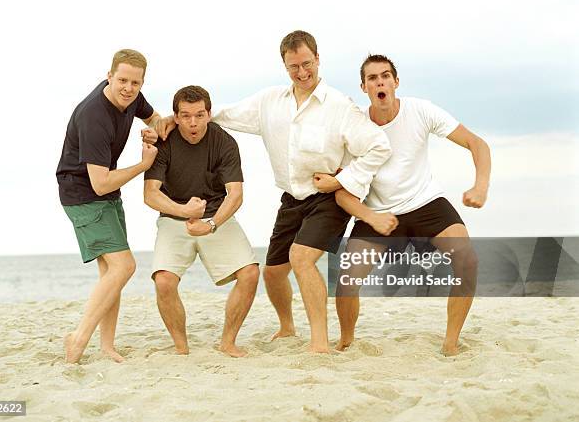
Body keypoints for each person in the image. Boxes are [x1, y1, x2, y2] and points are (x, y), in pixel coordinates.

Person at [181, 31, 394, 353]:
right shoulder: (269, 102)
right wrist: (176, 120)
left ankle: (319, 341)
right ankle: (286, 326)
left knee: (302, 259)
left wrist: (342, 180)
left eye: (307, 64)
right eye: (294, 66)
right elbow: (222, 115)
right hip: (291, 199)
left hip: (327, 199)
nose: (302, 72)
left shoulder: (339, 106)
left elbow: (379, 146)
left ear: (318, 59)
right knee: (274, 272)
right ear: (285, 65)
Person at [325, 54, 491, 356]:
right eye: (372, 78)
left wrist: (480, 186)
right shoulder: (355, 128)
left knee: (467, 260)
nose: (380, 82)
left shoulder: (421, 110)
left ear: (395, 82)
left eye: (385, 76)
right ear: (364, 87)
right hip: (381, 213)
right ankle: (346, 341)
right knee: (347, 276)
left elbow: (477, 144)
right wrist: (371, 217)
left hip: (427, 203)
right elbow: (342, 193)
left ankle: (450, 343)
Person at [57, 49, 173, 364]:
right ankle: (78, 337)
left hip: (106, 191)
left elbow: (156, 119)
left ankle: (107, 346)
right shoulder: (94, 115)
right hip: (83, 193)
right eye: (122, 80)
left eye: (135, 82)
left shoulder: (133, 96)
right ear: (109, 76)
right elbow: (100, 183)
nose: (128, 88)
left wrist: (156, 129)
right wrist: (143, 164)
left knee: (112, 272)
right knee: (124, 266)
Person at [144, 86, 260, 358]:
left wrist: (211, 224)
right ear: (175, 116)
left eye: (199, 115)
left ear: (209, 113)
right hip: (174, 216)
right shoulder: (163, 141)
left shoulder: (225, 142)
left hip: (216, 215)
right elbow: (150, 194)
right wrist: (184, 211)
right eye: (185, 116)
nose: (193, 122)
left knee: (250, 273)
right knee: (163, 281)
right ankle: (180, 346)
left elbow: (236, 194)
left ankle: (228, 342)